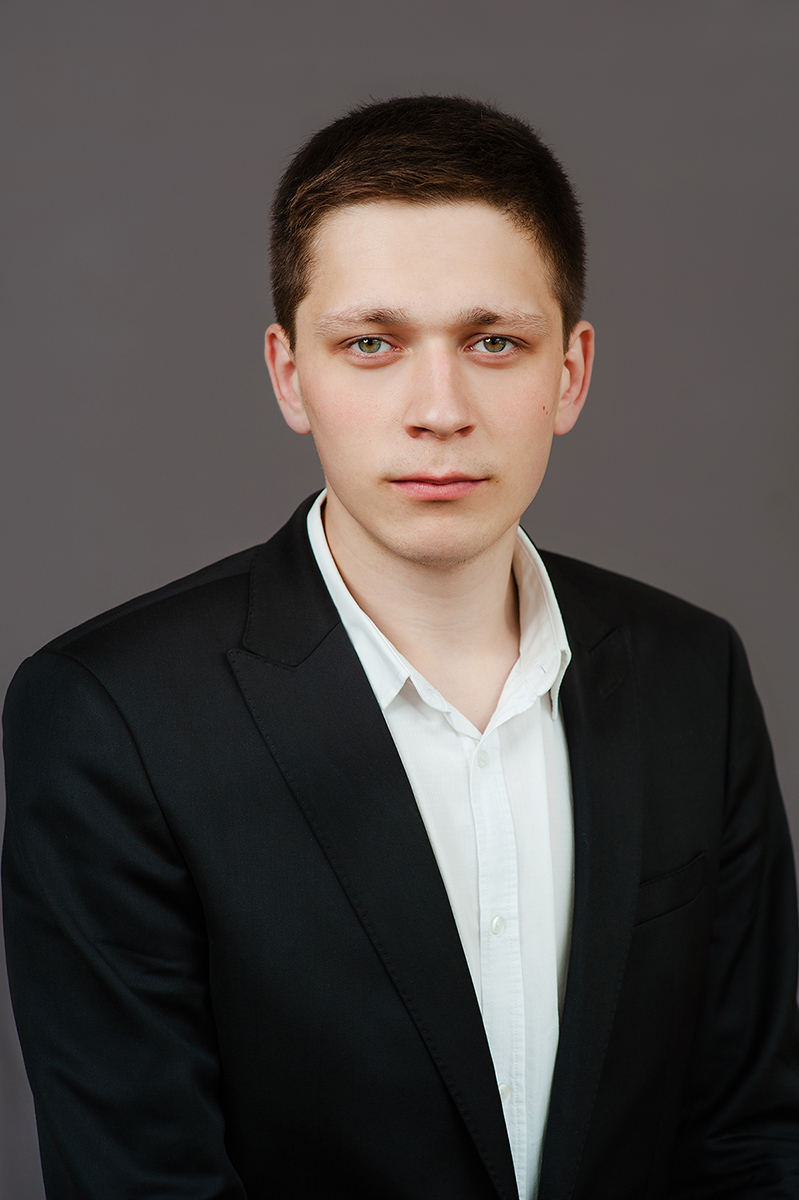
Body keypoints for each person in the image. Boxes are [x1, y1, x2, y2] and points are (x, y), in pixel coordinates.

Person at [3, 95, 799, 1200]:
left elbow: (750, 1137)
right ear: (291, 375)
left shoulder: (691, 675)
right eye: (370, 344)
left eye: (493, 342)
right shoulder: (107, 715)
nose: (439, 409)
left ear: (569, 373)